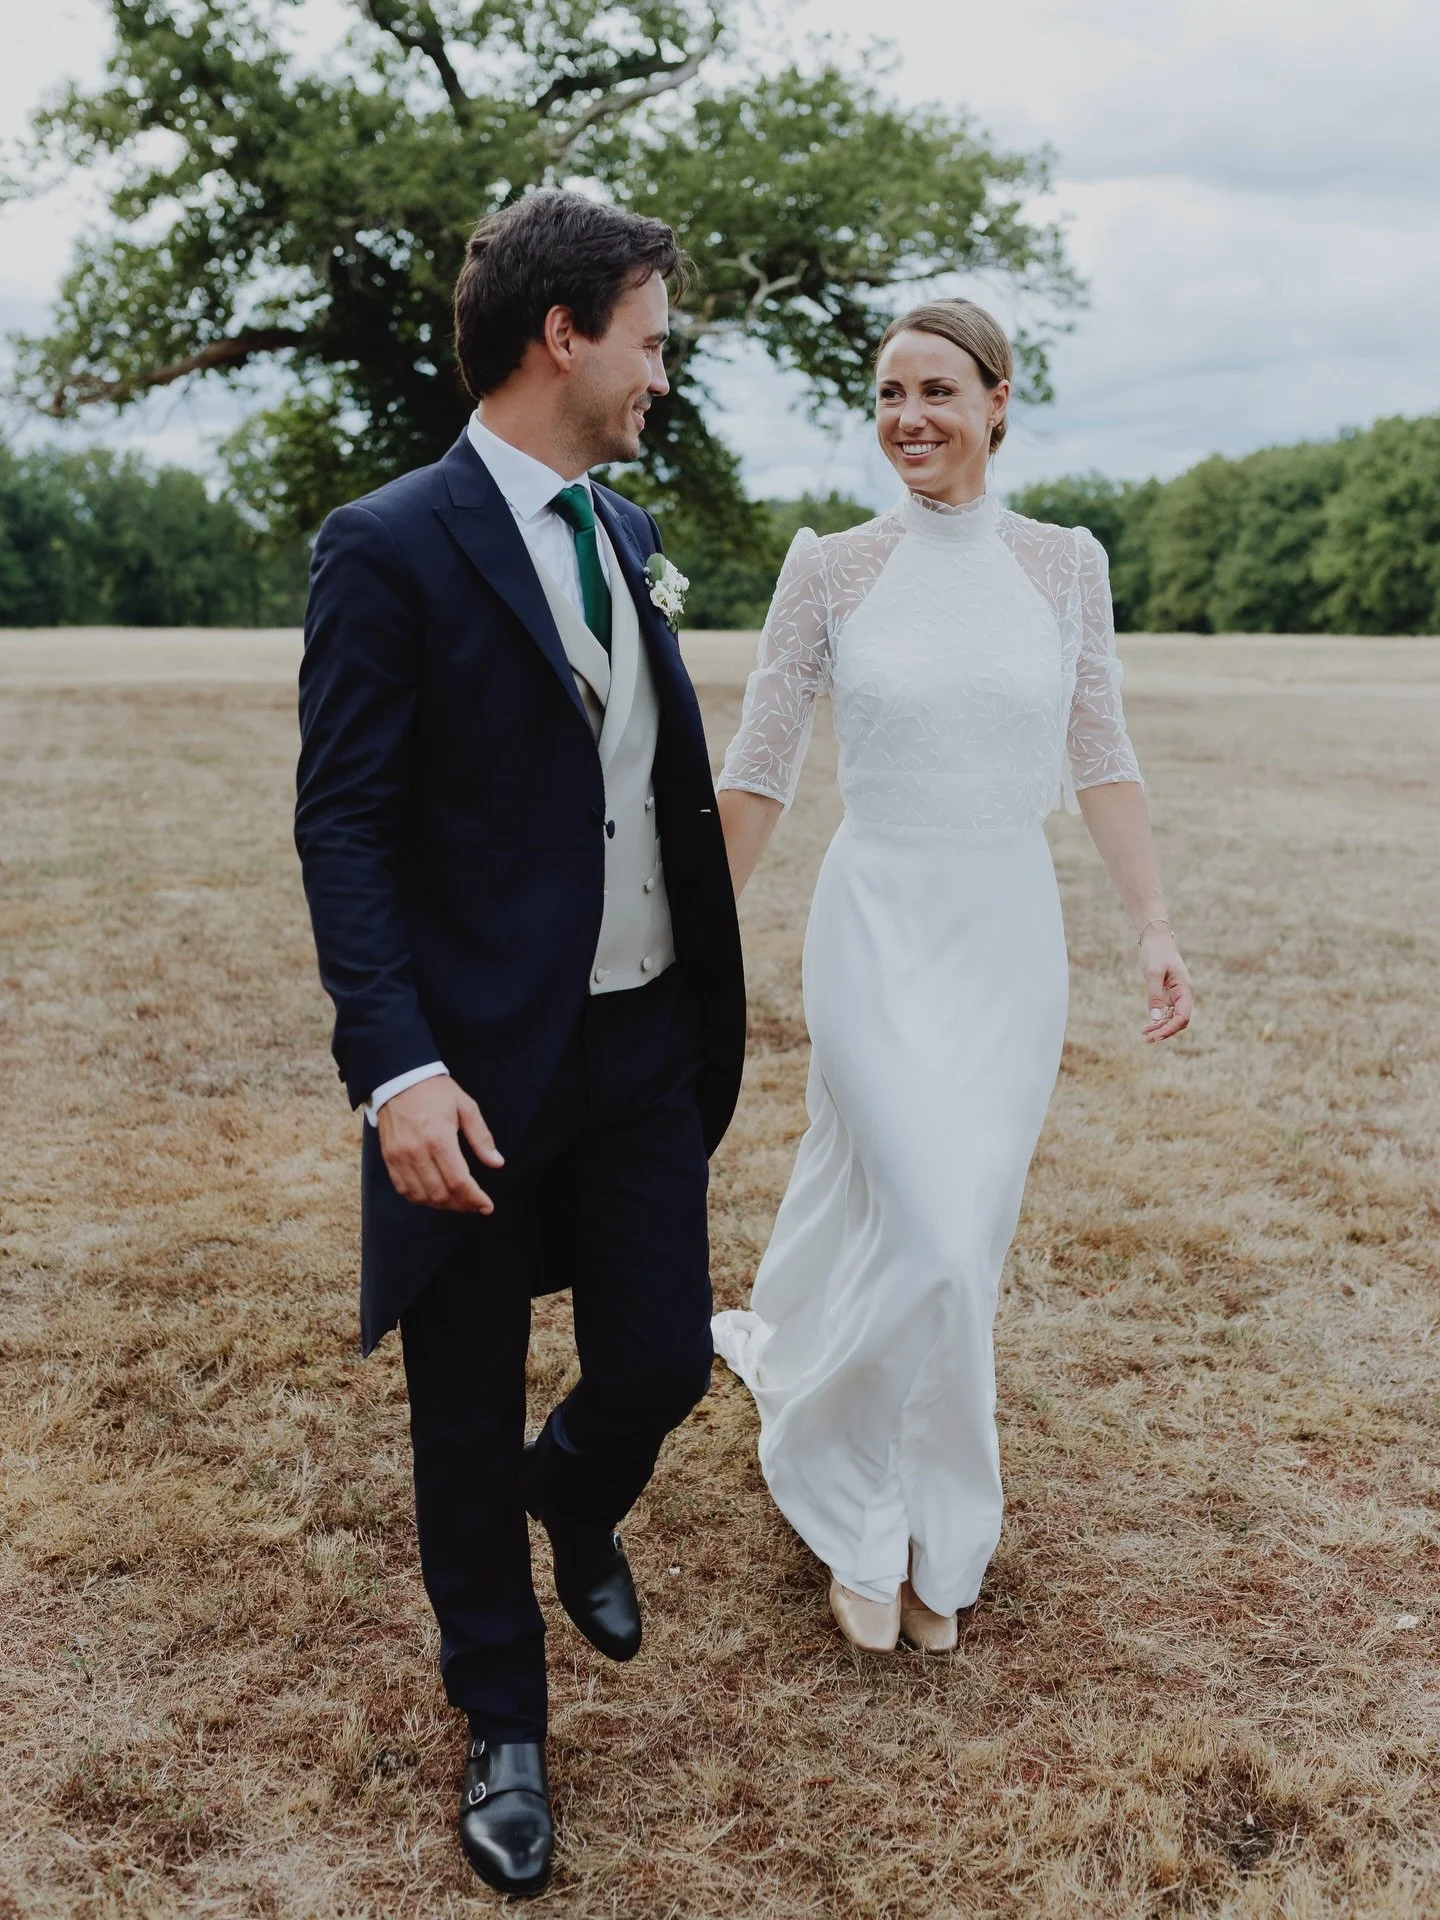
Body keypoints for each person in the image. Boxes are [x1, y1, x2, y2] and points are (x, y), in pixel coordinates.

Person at [294, 191, 745, 1896]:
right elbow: (343, 825)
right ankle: (503, 1724)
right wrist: (397, 1072)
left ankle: (580, 1492)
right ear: (565, 337)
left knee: (665, 1361)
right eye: (649, 340)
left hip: (644, 1043)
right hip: (474, 1066)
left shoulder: (624, 531)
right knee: (464, 1408)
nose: (659, 373)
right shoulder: (387, 543)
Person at [712, 298, 1194, 1657]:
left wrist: (1152, 922)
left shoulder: (1066, 566)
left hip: (1007, 938)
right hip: (874, 925)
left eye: (936, 391)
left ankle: (943, 1530)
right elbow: (760, 766)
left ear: (995, 401)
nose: (908, 418)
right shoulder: (832, 569)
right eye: (887, 394)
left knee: (961, 1247)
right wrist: (690, 929)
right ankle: (855, 1506)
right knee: (923, 1232)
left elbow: (1100, 753)